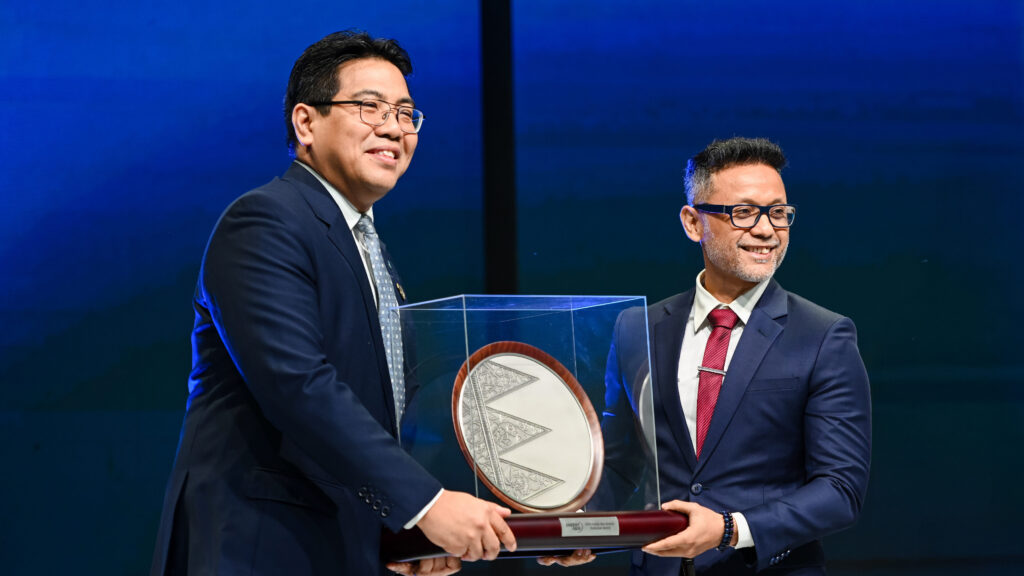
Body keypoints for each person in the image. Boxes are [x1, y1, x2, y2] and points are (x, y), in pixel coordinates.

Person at [149, 30, 516, 576]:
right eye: (370, 107)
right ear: (306, 123)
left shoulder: (368, 248)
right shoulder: (264, 222)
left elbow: (385, 415)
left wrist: (405, 532)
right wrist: (427, 505)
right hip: (259, 550)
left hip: (342, 549)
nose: (393, 127)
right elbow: (298, 383)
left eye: (406, 113)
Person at [600, 137, 871, 575]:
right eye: (744, 212)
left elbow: (840, 490)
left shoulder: (823, 336)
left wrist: (729, 529)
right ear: (693, 223)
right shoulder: (637, 328)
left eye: (778, 213)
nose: (766, 230)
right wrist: (577, 531)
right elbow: (619, 463)